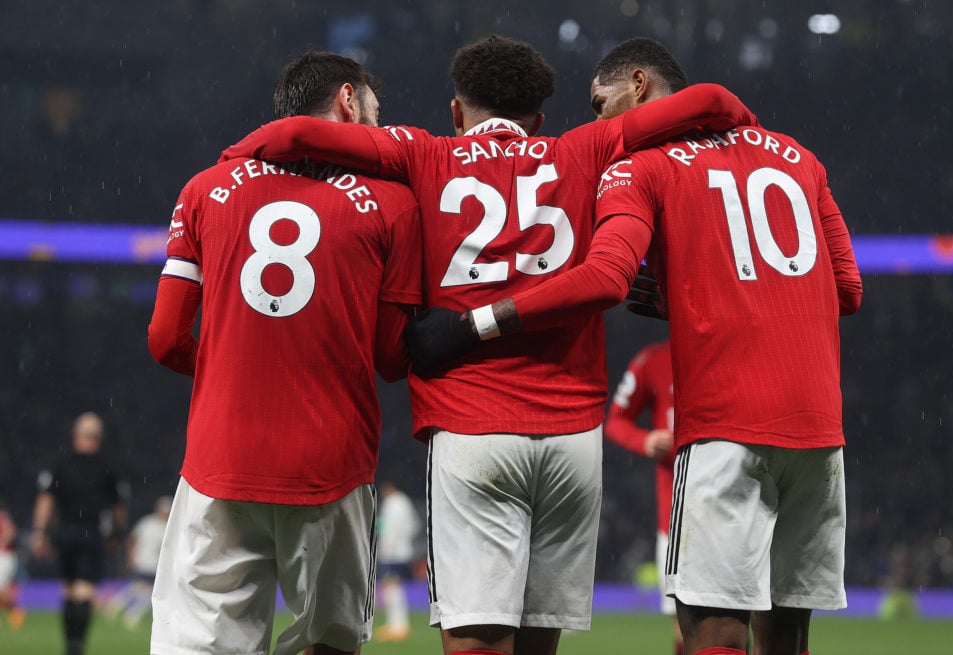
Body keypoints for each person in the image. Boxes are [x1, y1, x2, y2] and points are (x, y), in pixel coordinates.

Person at [221, 34, 755, 655]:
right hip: (571, 437)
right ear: (539, 118)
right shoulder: (584, 147)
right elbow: (710, 98)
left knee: (476, 642)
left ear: (456, 110)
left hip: (472, 424)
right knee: (537, 645)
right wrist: (736, 116)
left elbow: (298, 137)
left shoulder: (422, 153)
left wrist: (239, 152)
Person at [406, 38, 863, 655]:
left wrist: (471, 325)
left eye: (600, 105)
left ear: (639, 86)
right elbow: (847, 289)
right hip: (818, 431)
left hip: (722, 424)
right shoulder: (800, 159)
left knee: (712, 632)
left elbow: (604, 278)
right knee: (788, 636)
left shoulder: (639, 166)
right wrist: (715, 294)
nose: (598, 122)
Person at [146, 51, 422, 655]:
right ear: (348, 100)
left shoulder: (204, 189)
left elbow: (165, 339)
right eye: (376, 114)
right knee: (330, 641)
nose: (381, 131)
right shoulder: (393, 203)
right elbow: (393, 357)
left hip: (221, 456)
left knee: (198, 644)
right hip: (331, 460)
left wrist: (237, 368)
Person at [604, 339, 682, 654]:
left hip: (737, 508)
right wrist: (645, 440)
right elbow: (616, 421)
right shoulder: (654, 361)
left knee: (739, 618)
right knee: (685, 623)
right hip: (675, 518)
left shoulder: (731, 350)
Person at [31, 411, 129, 655]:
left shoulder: (60, 465)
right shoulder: (108, 469)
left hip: (64, 533)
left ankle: (70, 646)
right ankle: (77, 647)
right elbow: (118, 508)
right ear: (99, 438)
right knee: (84, 592)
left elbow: (45, 500)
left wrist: (40, 533)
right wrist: (116, 535)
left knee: (68, 589)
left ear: (76, 436)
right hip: (91, 534)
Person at [102, 495, 171, 629]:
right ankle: (131, 615)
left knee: (139, 587)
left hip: (154, 564)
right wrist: (131, 557)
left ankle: (116, 605)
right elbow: (132, 541)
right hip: (146, 563)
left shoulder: (157, 524)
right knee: (149, 590)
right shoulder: (149, 523)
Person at [374, 481, 421, 642]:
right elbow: (415, 525)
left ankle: (397, 626)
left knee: (391, 588)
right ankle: (397, 625)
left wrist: (385, 547)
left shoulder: (391, 504)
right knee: (395, 587)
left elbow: (387, 528)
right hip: (405, 551)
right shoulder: (405, 502)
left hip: (392, 552)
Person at [0, 505, 25, 630]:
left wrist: (3, 542)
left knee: (2, 589)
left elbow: (11, 531)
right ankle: (16, 612)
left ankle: (16, 612)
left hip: (4, 556)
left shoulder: (3, 518)